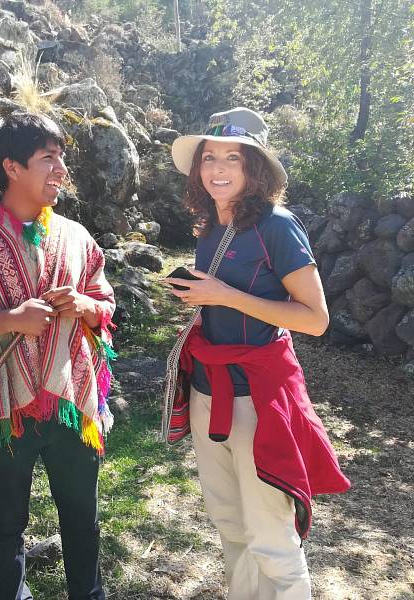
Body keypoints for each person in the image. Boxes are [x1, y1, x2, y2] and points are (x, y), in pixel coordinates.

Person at [0, 112, 116, 600]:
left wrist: (88, 306)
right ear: (11, 167)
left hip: (75, 406)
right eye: (48, 159)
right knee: (6, 520)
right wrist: (9, 319)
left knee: (82, 518)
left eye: (62, 158)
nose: (61, 169)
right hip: (3, 411)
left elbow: (104, 304)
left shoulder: (78, 237)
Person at [165, 107, 350, 599]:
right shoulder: (211, 224)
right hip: (210, 391)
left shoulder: (277, 226)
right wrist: (197, 291)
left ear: (256, 168)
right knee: (231, 526)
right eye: (209, 157)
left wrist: (224, 295)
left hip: (258, 398)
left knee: (271, 535)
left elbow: (315, 319)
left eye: (233, 157)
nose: (218, 168)